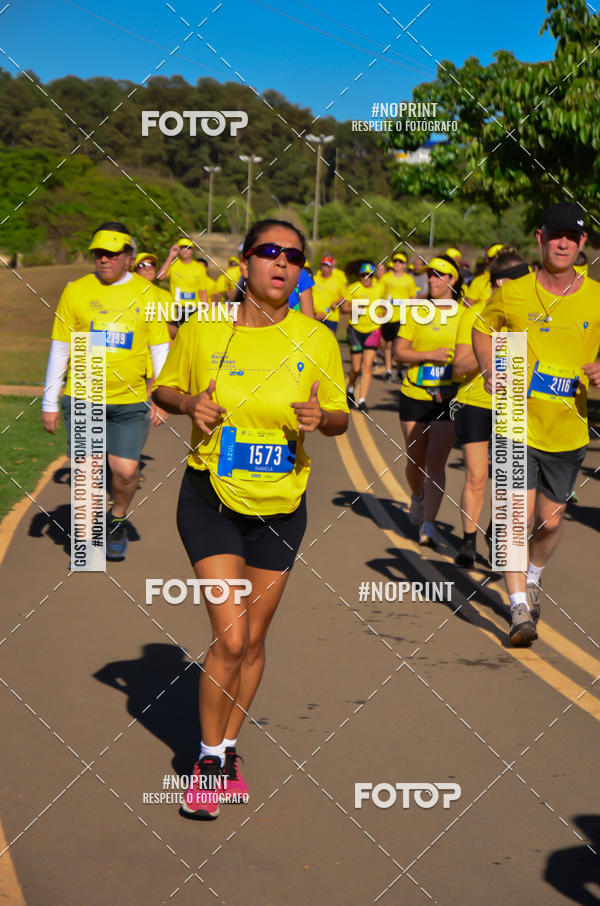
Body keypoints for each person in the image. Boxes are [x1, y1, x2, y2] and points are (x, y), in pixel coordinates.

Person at [152, 218, 348, 820]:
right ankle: (209, 760)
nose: (282, 262)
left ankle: (229, 745)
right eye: (269, 251)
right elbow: (163, 390)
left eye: (294, 256)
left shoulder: (316, 339)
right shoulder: (205, 328)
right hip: (210, 497)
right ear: (245, 263)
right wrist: (189, 402)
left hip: (282, 507)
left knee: (255, 640)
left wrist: (322, 419)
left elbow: (339, 416)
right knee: (231, 637)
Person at [473, 202, 600, 646]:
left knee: (548, 522)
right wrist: (488, 368)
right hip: (515, 418)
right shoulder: (514, 292)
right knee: (516, 515)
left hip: (567, 428)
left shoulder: (595, 296)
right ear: (540, 238)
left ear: (582, 243)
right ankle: (517, 607)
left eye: (572, 236)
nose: (563, 243)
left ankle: (533, 575)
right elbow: (482, 328)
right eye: (555, 235)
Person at [41, 223, 171, 560]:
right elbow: (60, 347)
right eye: (99, 253)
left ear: (128, 257)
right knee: (88, 472)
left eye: (113, 254)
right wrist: (49, 401)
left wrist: (161, 395)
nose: (104, 259)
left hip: (129, 401)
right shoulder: (75, 291)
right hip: (84, 395)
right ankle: (88, 538)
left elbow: (159, 347)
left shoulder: (147, 294)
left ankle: (116, 518)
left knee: (126, 471)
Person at [452, 249, 530, 567]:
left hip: (513, 404)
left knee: (509, 479)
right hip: (475, 402)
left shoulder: (527, 316)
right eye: (521, 281)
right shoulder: (474, 315)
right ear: (501, 283)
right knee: (477, 474)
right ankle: (468, 541)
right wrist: (489, 343)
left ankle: (496, 532)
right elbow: (459, 366)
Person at [395, 255, 462, 546]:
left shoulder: (465, 315)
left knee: (436, 462)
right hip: (414, 394)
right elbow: (399, 352)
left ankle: (429, 524)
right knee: (415, 461)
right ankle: (417, 495)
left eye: (438, 275)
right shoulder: (417, 312)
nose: (431, 279)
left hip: (448, 397)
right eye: (429, 275)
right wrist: (429, 355)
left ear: (452, 280)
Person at [343, 262, 386, 413]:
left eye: (369, 275)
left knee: (366, 366)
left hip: (373, 330)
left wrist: (383, 313)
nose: (366, 278)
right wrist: (354, 308)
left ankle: (362, 401)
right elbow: (343, 307)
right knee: (355, 368)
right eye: (363, 275)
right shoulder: (354, 287)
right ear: (360, 276)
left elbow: (386, 306)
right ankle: (350, 388)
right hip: (355, 330)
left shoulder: (380, 288)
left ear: (373, 276)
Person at [379, 252, 418, 382]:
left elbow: (413, 299)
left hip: (403, 316)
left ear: (405, 265)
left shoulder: (409, 280)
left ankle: (399, 370)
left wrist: (413, 315)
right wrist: (381, 310)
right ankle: (388, 371)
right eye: (395, 261)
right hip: (388, 316)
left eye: (401, 262)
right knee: (388, 344)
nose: (397, 264)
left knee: (398, 345)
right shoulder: (385, 278)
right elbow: (380, 295)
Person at [157, 238, 208, 331]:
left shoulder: (199, 268)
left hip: (193, 309)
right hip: (176, 309)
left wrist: (205, 311)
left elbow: (202, 292)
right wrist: (171, 256)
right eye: (182, 248)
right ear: (178, 250)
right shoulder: (173, 265)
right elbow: (160, 277)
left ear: (192, 250)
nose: (185, 250)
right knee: (176, 335)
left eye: (188, 248)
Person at [312, 255, 347, 334]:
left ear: (331, 268)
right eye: (323, 265)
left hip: (331, 316)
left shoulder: (338, 282)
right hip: (315, 314)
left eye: (327, 266)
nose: (324, 268)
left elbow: (344, 296)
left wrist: (336, 302)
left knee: (330, 338)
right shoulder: (314, 279)